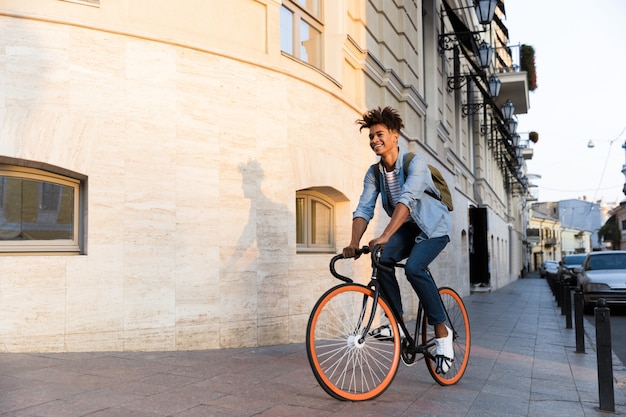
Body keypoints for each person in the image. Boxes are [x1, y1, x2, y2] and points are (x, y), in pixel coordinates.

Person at [342, 106, 453, 374]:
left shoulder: (415, 164)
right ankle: (396, 322)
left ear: (394, 135)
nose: (374, 140)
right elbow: (364, 207)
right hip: (406, 228)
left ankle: (442, 332)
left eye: (379, 134)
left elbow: (407, 199)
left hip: (433, 228)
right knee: (383, 258)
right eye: (370, 137)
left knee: (415, 268)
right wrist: (354, 242)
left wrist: (385, 234)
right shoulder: (374, 173)